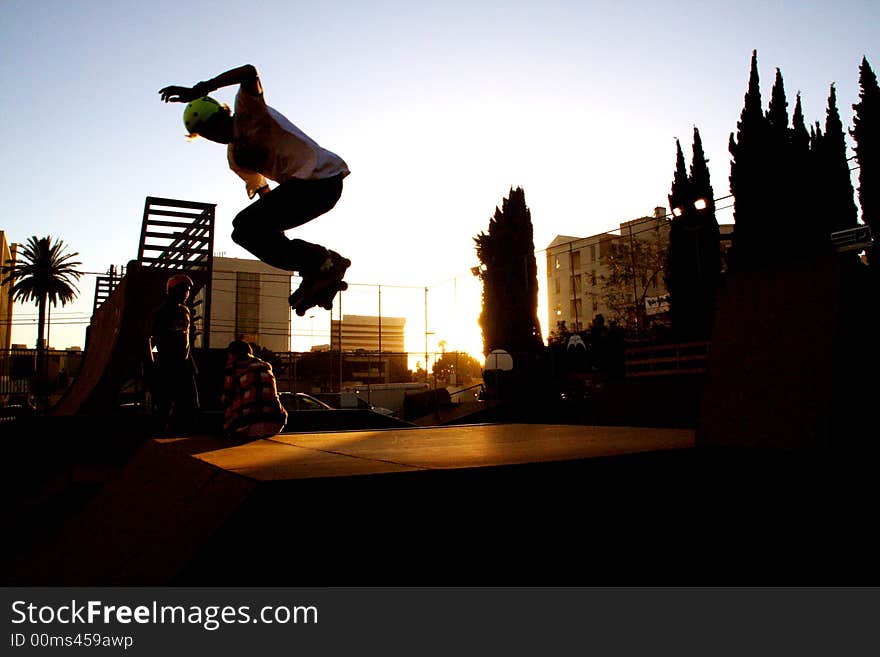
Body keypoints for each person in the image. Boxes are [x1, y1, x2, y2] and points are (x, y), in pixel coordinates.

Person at [158, 65, 351, 313]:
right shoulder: (236, 158)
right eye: (206, 134)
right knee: (243, 232)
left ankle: (321, 261)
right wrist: (274, 240)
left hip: (323, 177)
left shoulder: (248, 112)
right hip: (306, 191)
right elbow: (264, 194)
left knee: (245, 225)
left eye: (215, 125)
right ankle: (318, 269)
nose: (215, 135)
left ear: (223, 113)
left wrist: (203, 87)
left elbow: (249, 72)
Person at [147, 274, 200, 434]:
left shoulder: (186, 311)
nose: (186, 293)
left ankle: (185, 435)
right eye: (183, 290)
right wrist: (151, 364)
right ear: (172, 291)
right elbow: (150, 339)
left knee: (191, 405)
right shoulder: (161, 312)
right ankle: (161, 437)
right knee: (164, 406)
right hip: (167, 365)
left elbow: (187, 338)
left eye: (188, 290)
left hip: (185, 365)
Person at [220, 340, 287, 440]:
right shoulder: (266, 367)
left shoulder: (233, 369)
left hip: (246, 424)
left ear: (233, 355)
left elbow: (225, 399)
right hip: (276, 422)